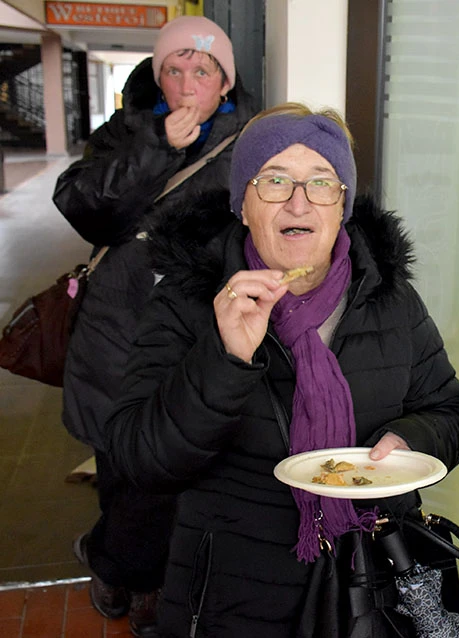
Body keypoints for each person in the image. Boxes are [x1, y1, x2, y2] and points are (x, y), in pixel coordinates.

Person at [103, 103, 459, 637]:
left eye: (322, 182)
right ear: (243, 204)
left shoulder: (390, 300)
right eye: (274, 180)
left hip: (370, 582)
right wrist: (226, 359)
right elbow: (140, 459)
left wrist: (410, 437)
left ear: (341, 205)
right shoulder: (187, 301)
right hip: (235, 589)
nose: (299, 200)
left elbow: (448, 412)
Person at [52, 16, 256, 635]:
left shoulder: (251, 142)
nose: (188, 81)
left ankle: (149, 580)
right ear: (159, 78)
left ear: (224, 83)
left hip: (194, 334)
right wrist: (157, 148)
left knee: (179, 469)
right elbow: (83, 207)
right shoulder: (128, 131)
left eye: (203, 70)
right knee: (122, 467)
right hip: (115, 332)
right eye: (175, 69)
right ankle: (120, 566)